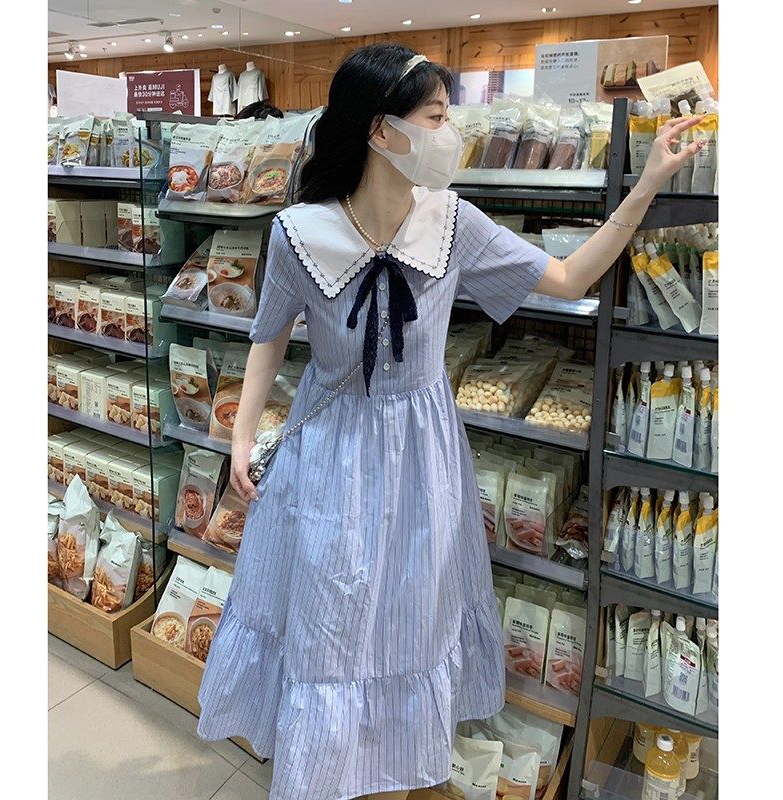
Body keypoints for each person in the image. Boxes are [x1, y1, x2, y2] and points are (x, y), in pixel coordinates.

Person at [197, 43, 703, 800]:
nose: (450, 133)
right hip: (330, 449)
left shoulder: (451, 220)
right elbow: (267, 334)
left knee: (410, 617)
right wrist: (241, 435)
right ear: (381, 130)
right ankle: (327, 773)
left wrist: (647, 183)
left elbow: (568, 277)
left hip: (422, 455)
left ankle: (390, 772)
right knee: (332, 615)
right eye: (436, 117)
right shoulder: (298, 232)